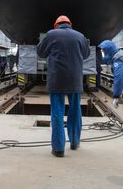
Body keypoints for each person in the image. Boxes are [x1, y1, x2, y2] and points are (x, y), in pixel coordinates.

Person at [36, 15, 90, 157]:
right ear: (70, 24)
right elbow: (86, 54)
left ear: (56, 25)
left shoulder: (51, 34)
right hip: (75, 80)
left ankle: (59, 149)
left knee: (57, 112)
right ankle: (74, 142)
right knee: (75, 110)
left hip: (56, 80)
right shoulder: (80, 36)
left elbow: (40, 52)